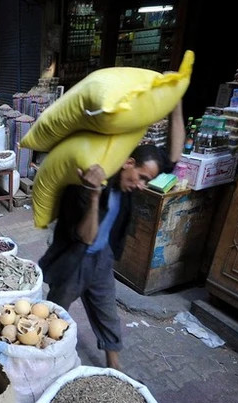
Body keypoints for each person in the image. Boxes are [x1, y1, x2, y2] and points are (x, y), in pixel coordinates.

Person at [38, 104, 184, 371]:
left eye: (146, 180)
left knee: (108, 315)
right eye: (141, 178)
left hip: (103, 259)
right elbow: (85, 237)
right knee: (54, 315)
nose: (141, 186)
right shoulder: (87, 183)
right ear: (129, 163)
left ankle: (115, 370)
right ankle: (43, 362)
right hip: (74, 259)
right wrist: (93, 196)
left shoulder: (130, 178)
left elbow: (174, 156)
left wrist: (175, 103)